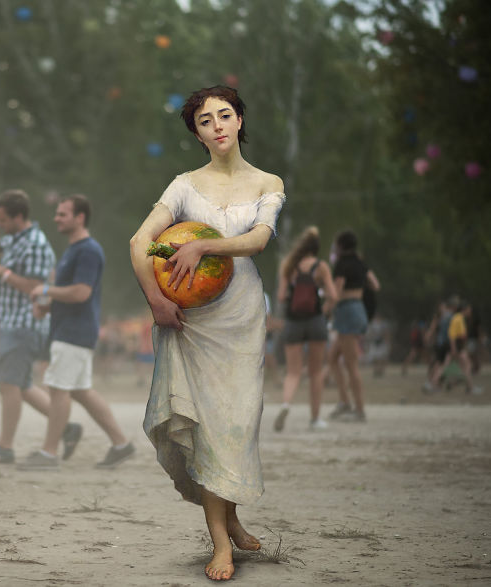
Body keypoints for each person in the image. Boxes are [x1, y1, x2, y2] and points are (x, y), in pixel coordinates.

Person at [129, 86, 285, 582]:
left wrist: (207, 247)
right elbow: (139, 242)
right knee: (206, 426)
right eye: (204, 121)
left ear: (240, 120)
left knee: (237, 423)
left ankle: (231, 516)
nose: (216, 125)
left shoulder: (267, 182)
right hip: (190, 321)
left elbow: (259, 240)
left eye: (224, 115)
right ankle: (221, 543)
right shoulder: (183, 186)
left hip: (241, 319)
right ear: (196, 132)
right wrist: (157, 302)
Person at [19, 195, 134, 471]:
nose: (56, 218)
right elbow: (71, 294)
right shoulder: (73, 250)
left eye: (62, 214)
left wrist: (45, 290)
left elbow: (82, 292)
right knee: (80, 391)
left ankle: (48, 453)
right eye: (57, 214)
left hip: (74, 332)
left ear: (80, 217)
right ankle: (121, 445)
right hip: (69, 329)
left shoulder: (88, 250)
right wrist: (46, 307)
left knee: (58, 389)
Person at [0, 190, 83, 464]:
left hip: (24, 322)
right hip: (12, 321)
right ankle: (67, 428)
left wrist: (1, 271)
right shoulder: (15, 238)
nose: (0, 225)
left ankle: (5, 447)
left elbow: (36, 288)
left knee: (8, 383)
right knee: (19, 385)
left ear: (18, 217)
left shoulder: (34, 243)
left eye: (3, 220)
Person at [273, 226, 337, 433]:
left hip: (293, 322)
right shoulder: (321, 267)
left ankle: (285, 404)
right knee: (316, 371)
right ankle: (315, 419)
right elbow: (333, 296)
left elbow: (282, 297)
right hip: (316, 321)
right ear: (316, 248)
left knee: (293, 372)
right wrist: (323, 308)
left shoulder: (288, 265)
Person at [326, 230, 380, 423]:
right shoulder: (360, 262)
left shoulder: (341, 264)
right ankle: (344, 402)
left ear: (340, 246)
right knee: (332, 358)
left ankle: (359, 410)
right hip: (358, 310)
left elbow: (337, 290)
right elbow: (375, 284)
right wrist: (359, 289)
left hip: (347, 312)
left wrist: (327, 308)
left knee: (351, 364)